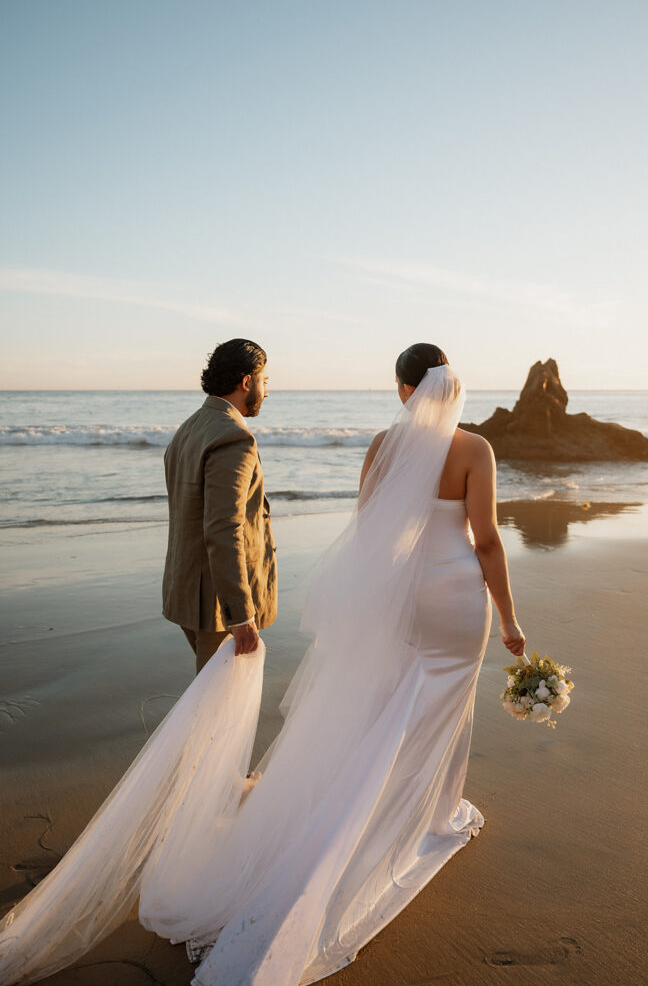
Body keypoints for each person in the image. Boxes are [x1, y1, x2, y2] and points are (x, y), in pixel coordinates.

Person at [0, 343, 525, 986]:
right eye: (266, 380)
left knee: (389, 704)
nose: (269, 389)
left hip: (379, 598)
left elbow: (368, 534)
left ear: (403, 390)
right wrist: (510, 620)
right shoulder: (474, 450)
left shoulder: (373, 446)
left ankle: (342, 806)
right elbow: (489, 539)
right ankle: (428, 813)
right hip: (447, 595)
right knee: (438, 708)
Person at [162, 338, 277, 673]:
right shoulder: (233, 436)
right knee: (215, 712)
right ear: (247, 382)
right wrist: (240, 613)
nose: (266, 392)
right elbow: (224, 527)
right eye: (265, 381)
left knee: (211, 702)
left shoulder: (189, 428)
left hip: (187, 594)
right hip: (218, 605)